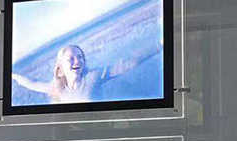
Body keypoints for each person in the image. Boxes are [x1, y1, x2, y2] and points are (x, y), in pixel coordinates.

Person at [12, 43, 157, 105]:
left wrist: (159, 46)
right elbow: (31, 83)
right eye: (71, 58)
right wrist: (11, 75)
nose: (77, 61)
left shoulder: (93, 76)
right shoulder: (57, 88)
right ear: (60, 68)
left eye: (80, 57)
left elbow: (127, 64)